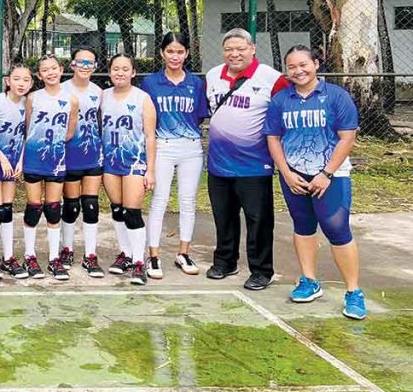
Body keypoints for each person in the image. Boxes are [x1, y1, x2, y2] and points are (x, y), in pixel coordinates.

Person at [264, 45, 365, 320]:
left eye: (303, 65)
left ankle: (353, 292)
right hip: (294, 174)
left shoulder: (336, 96)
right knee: (303, 225)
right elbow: (273, 137)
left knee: (337, 229)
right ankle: (309, 281)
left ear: (316, 63)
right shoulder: (281, 100)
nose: (298, 71)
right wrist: (285, 172)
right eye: (292, 67)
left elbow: (347, 138)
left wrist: (326, 174)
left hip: (331, 176)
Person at [205, 28, 289, 291]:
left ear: (252, 49)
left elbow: (284, 115)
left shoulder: (272, 78)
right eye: (229, 49)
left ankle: (262, 270)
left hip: (254, 164)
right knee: (223, 216)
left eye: (240, 48)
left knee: (258, 220)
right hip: (218, 163)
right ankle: (225, 261)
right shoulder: (212, 76)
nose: (235, 54)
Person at [140, 32, 209, 278]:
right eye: (170, 51)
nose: (175, 56)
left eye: (180, 52)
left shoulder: (196, 83)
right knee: (160, 200)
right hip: (163, 146)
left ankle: (183, 252)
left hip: (190, 147)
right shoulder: (150, 83)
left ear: (187, 53)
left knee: (188, 201)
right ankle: (154, 256)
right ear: (162, 53)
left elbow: (199, 115)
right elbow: (146, 118)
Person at [101, 54, 157, 285]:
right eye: (116, 68)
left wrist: (150, 170)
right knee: (117, 209)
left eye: (125, 69)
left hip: (134, 161)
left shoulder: (142, 98)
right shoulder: (103, 96)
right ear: (110, 71)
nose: (120, 73)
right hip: (110, 162)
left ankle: (138, 262)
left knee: (132, 212)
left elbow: (150, 136)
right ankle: (124, 254)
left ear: (133, 72)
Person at [22, 54, 78, 280]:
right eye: (45, 70)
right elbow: (28, 128)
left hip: (56, 159)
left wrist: (54, 145)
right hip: (34, 158)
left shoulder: (72, 99)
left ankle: (54, 258)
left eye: (53, 68)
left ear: (61, 69)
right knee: (34, 206)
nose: (50, 73)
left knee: (54, 207)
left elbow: (70, 131)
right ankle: (29, 255)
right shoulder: (33, 98)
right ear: (39, 75)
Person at [61, 48, 104, 277]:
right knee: (70, 205)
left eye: (90, 63)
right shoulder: (62, 89)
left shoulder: (99, 92)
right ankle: (66, 249)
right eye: (81, 62)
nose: (85, 66)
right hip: (69, 154)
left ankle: (90, 254)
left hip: (93, 154)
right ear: (72, 64)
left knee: (90, 205)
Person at [0, 63, 31, 280]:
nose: (21, 83)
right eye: (17, 78)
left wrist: (20, 162)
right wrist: (3, 159)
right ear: (8, 80)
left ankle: (8, 257)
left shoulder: (28, 104)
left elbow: (27, 135)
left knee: (7, 210)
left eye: (26, 80)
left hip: (14, 162)